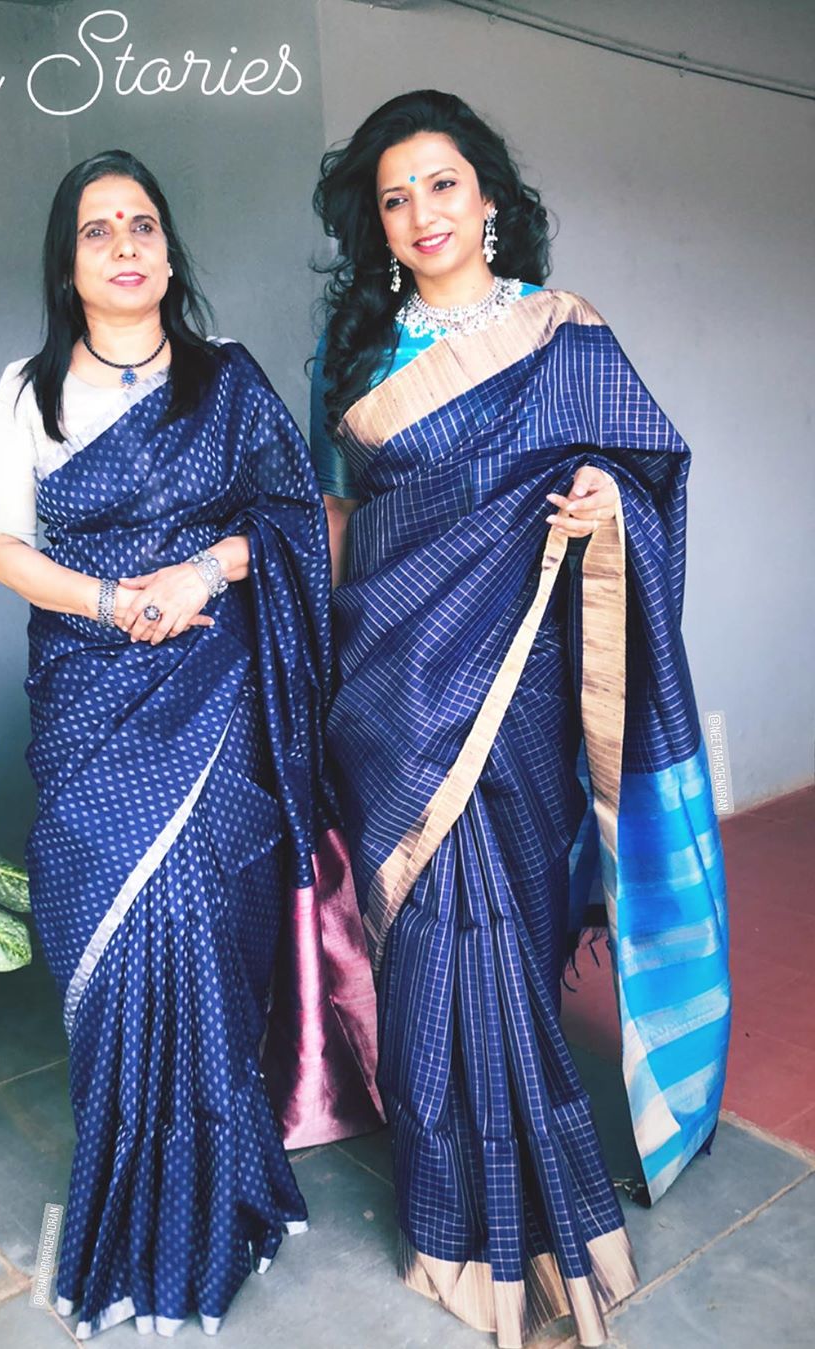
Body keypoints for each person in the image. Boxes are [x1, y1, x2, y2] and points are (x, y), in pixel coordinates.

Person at [309, 90, 730, 1349]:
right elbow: (346, 529)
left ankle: (533, 1216)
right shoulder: (360, 358)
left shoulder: (568, 335)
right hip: (392, 692)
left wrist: (604, 495)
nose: (422, 214)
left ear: (490, 197)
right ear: (377, 226)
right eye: (395, 197)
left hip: (522, 687)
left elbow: (646, 473)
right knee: (434, 948)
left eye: (443, 184)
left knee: (504, 934)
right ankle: (457, 1221)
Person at [0, 149, 345, 1339]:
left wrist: (197, 569)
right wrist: (112, 602)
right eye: (99, 229)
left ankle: (218, 1191)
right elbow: (1, 542)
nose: (127, 243)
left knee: (189, 908)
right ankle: (132, 1196)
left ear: (169, 252)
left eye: (144, 224)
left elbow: (294, 520)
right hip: (90, 687)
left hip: (213, 686)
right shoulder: (27, 390)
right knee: (105, 916)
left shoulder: (225, 383)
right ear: (69, 261)